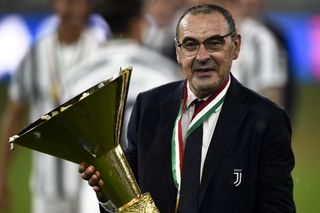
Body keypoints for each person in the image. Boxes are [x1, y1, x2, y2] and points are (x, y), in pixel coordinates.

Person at [80, 4, 296, 212]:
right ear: (178, 52)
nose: (202, 56)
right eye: (191, 45)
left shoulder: (267, 119)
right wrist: (107, 193)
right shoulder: (148, 108)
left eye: (214, 43)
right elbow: (130, 205)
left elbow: (278, 207)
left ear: (236, 47)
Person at [0, 0, 106, 212]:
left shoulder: (100, 51)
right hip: (47, 186)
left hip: (91, 185)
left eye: (81, 2)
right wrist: (2, 172)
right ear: (54, 4)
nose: (75, 8)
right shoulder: (36, 53)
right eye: (68, 2)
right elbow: (15, 113)